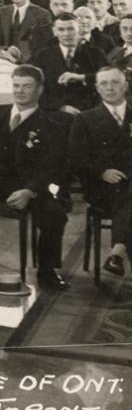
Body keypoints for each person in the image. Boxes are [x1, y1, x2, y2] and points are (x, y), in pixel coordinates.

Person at [0, 65, 72, 289]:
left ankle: (47, 270)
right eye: (16, 86)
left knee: (54, 214)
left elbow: (52, 167)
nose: (20, 91)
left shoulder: (50, 126)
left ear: (40, 90)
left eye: (27, 86)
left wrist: (30, 190)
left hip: (26, 187)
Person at [75, 65, 131, 276]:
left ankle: (117, 252)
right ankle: (118, 252)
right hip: (102, 187)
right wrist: (102, 172)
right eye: (104, 84)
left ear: (125, 85)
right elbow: (76, 158)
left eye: (115, 82)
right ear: (97, 88)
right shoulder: (85, 119)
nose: (110, 88)